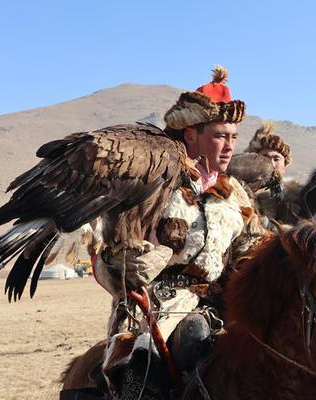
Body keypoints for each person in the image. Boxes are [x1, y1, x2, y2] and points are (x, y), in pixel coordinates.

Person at [94, 68, 265, 382]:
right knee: (179, 349)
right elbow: (106, 258)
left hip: (221, 303)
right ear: (190, 134)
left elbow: (251, 251)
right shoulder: (154, 186)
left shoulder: (236, 194)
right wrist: (126, 268)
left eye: (234, 137)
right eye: (219, 136)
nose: (229, 146)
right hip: (156, 309)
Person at [243, 121, 292, 227]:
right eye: (264, 157)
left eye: (276, 158)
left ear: (285, 164)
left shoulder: (296, 199)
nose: (270, 164)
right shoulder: (242, 195)